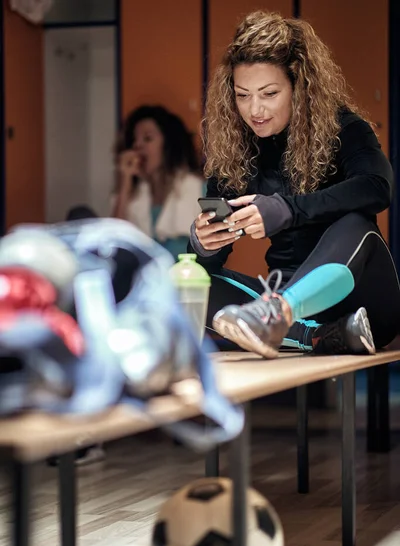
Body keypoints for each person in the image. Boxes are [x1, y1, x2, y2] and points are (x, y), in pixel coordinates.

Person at [188, 10, 400, 358]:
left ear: (299, 87)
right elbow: (207, 264)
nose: (254, 109)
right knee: (186, 281)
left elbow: (377, 187)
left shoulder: (346, 129)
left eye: (269, 93)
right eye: (242, 95)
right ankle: (314, 335)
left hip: (365, 305)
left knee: (356, 222)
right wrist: (202, 245)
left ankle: (279, 316)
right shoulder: (238, 150)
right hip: (298, 310)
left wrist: (288, 210)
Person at [112, 105, 203, 260]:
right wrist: (125, 179)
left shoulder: (194, 186)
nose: (137, 146)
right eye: (134, 141)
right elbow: (115, 238)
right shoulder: (134, 192)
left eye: (147, 138)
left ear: (168, 145)